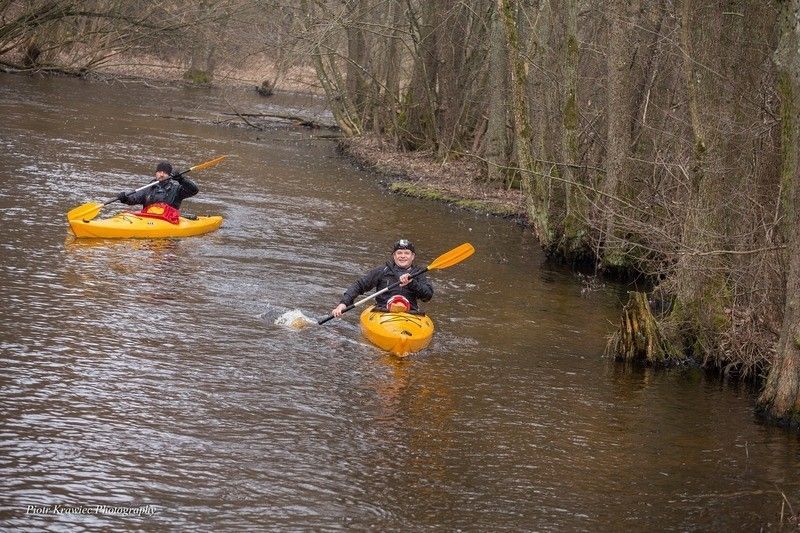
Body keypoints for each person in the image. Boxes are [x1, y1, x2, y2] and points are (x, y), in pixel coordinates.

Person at [331, 239, 434, 317]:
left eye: (406, 253)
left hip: (409, 314)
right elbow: (359, 286)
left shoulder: (418, 274)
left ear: (413, 256)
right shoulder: (383, 271)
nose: (403, 256)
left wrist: (412, 283)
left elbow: (427, 296)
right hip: (383, 313)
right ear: (394, 256)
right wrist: (343, 304)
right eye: (399, 253)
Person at [117, 161, 198, 211]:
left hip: (168, 220)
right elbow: (134, 198)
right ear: (156, 173)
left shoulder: (176, 190)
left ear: (169, 175)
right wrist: (125, 198)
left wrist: (181, 179)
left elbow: (194, 190)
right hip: (149, 219)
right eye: (159, 172)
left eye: (165, 173)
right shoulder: (148, 188)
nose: (161, 175)